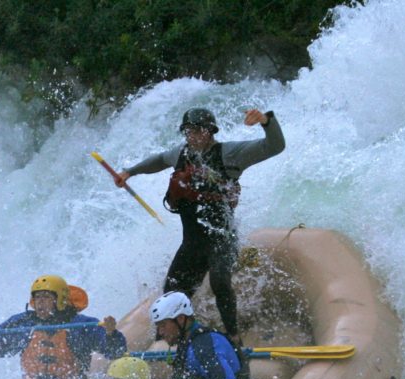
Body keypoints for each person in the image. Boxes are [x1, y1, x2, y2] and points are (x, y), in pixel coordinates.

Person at [115, 107, 285, 343]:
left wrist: (266, 121)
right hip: (192, 243)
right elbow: (160, 160)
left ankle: (234, 337)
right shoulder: (181, 154)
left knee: (219, 281)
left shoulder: (230, 153)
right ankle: (169, 341)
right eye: (188, 131)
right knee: (171, 291)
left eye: (198, 130)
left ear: (211, 131)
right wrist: (129, 172)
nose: (193, 135)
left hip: (222, 239)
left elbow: (275, 147)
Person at [0, 274, 127, 379]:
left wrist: (110, 334)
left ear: (60, 300)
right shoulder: (22, 323)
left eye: (46, 297)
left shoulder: (81, 325)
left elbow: (115, 352)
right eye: (37, 297)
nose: (40, 302)